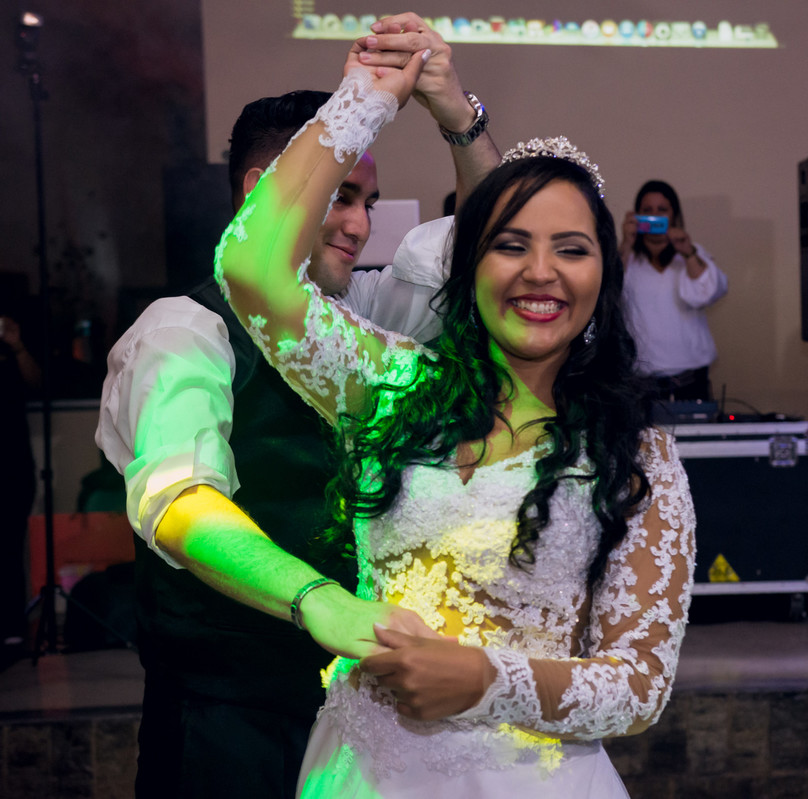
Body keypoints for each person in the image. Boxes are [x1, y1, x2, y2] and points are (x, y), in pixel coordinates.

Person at [213, 31, 696, 797]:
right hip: (362, 774)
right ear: (469, 266)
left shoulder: (636, 455)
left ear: (603, 275)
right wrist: (367, 97)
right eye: (510, 245)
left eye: (571, 249)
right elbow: (250, 269)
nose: (540, 272)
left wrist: (482, 677)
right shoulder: (396, 387)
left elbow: (638, 686)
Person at [95, 16, 501, 797]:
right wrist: (317, 600)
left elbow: (495, 254)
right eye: (342, 195)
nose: (360, 223)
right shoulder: (184, 329)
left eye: (369, 201)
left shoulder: (367, 314)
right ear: (266, 192)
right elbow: (180, 503)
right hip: (225, 721)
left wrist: (461, 120)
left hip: (357, 718)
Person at [618, 180, 728, 402]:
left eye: (662, 210)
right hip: (640, 384)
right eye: (647, 211)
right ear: (637, 216)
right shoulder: (626, 258)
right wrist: (626, 243)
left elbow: (710, 292)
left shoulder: (692, 255)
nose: (655, 216)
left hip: (690, 382)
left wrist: (687, 252)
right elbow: (607, 294)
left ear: (674, 215)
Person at [0, 314, 39, 651]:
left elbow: (37, 385)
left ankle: (12, 624)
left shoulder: (12, 348)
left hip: (11, 463)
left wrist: (16, 345)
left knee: (9, 546)